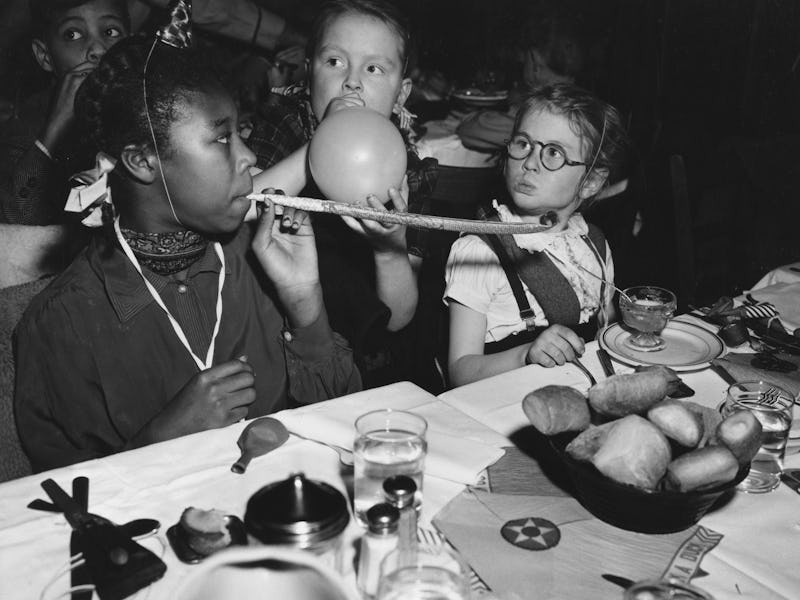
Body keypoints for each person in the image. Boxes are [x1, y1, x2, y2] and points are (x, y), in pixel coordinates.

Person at [14, 4, 361, 472]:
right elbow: (61, 510)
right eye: (221, 139)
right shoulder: (64, 322)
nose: (249, 157)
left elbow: (348, 425)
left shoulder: (261, 260)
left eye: (243, 134)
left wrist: (305, 303)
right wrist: (159, 439)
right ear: (141, 161)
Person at [248, 0, 440, 390]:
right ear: (308, 72)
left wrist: (391, 250)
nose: (352, 81)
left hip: (363, 353)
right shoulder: (283, 124)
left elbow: (399, 317)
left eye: (374, 68)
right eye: (335, 61)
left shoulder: (406, 169)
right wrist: (321, 147)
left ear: (401, 94)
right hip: (278, 332)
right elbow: (240, 206)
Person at [444, 83, 629, 387]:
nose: (529, 163)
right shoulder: (480, 251)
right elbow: (460, 373)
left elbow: (605, 332)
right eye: (523, 143)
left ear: (591, 182)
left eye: (554, 152)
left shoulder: (592, 244)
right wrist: (526, 354)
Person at [0, 0, 131, 225]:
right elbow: (17, 218)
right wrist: (52, 133)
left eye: (110, 31)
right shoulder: (27, 124)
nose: (98, 49)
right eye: (73, 35)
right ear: (45, 56)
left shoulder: (154, 104)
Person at [456, 15, 586, 154]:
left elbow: (468, 130)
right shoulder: (577, 102)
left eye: (525, 59)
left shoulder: (542, 113)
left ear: (535, 63)